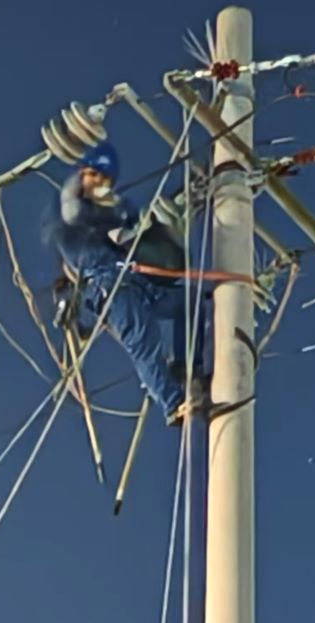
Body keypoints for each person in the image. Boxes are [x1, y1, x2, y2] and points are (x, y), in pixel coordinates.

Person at [43, 141, 204, 426]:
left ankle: (185, 367)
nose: (100, 183)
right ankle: (173, 404)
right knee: (144, 341)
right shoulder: (68, 217)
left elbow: (130, 226)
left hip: (138, 282)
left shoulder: (106, 215)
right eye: (94, 174)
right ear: (82, 173)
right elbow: (77, 212)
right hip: (111, 289)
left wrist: (149, 218)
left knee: (192, 301)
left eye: (106, 178)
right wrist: (116, 209)